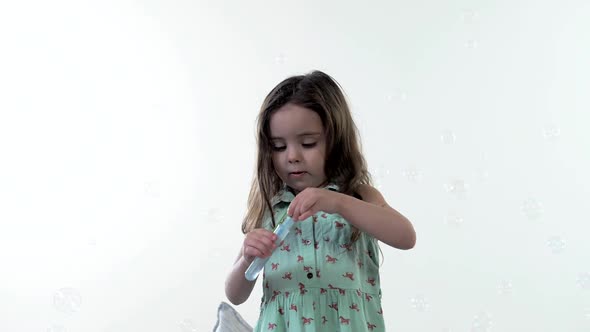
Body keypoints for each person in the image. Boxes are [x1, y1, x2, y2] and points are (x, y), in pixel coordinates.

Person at [224, 70, 416, 331]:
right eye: (279, 147)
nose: (292, 156)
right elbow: (235, 295)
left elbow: (406, 237)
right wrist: (247, 259)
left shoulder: (358, 197)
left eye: (308, 143)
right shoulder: (271, 210)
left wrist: (338, 202)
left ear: (336, 140)